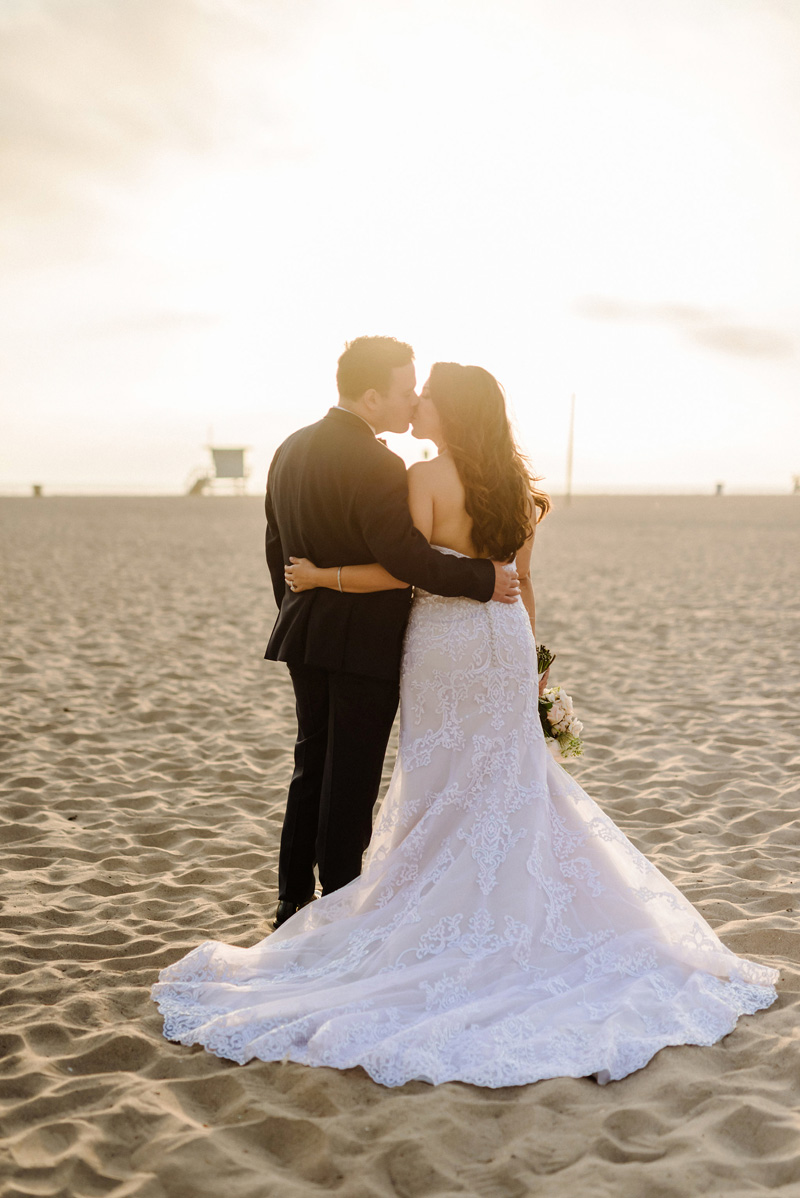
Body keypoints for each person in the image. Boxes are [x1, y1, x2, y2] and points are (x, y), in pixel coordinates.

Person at [152, 362, 778, 1087]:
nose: (416, 404)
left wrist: (322, 580)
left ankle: (357, 902)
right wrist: (533, 661)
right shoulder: (519, 486)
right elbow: (525, 580)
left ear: (448, 412)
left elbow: (403, 568)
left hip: (445, 645)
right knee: (512, 777)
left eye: (428, 398)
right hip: (506, 640)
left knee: (439, 778)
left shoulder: (423, 478)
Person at [261, 337, 519, 929]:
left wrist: (297, 609)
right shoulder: (379, 464)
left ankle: (290, 897)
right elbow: (405, 556)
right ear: (371, 396)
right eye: (405, 392)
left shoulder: (289, 449)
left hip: (303, 632)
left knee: (311, 762)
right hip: (364, 641)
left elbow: (276, 549)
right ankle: (338, 900)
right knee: (350, 773)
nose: (411, 403)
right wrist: (482, 577)